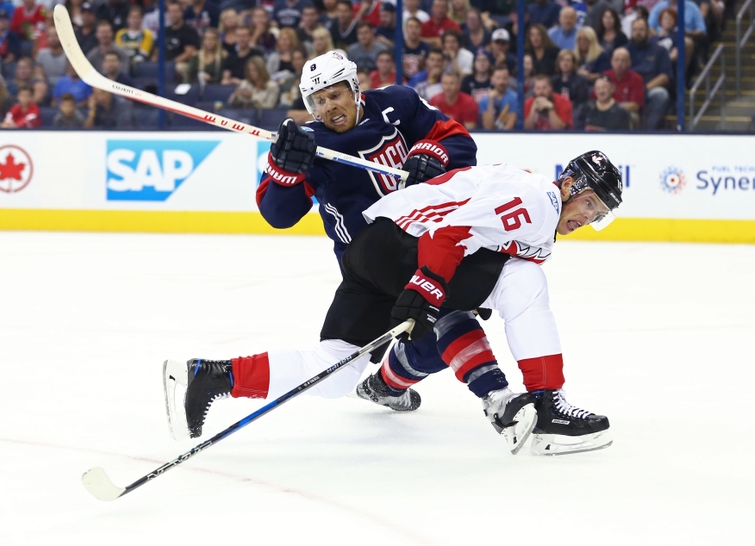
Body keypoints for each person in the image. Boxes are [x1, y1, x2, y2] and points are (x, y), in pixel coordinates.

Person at [170, 145, 622, 457]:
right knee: (523, 282)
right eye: (592, 208)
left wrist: (430, 287)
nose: (589, 218)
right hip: (405, 246)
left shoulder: (530, 200)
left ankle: (211, 376)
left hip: (371, 250)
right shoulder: (539, 200)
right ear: (573, 188)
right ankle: (541, 404)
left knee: (335, 369)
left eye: (598, 216)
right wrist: (427, 284)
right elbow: (448, 233)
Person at [163, 51, 501, 438]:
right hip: (371, 267)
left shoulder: (399, 104)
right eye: (318, 102)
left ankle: (384, 386)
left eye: (335, 95)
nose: (328, 108)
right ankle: (503, 400)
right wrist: (285, 169)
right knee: (442, 320)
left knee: (404, 354)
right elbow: (278, 214)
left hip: (424, 246)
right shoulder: (308, 145)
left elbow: (458, 141)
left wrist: (433, 154)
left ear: (356, 89)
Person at [626, 17, 671, 129]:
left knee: (661, 94)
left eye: (641, 30)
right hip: (627, 90)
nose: (638, 33)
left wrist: (643, 89)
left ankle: (648, 131)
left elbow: (665, 76)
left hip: (648, 89)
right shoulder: (624, 50)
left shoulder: (660, 50)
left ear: (648, 31)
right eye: (635, 30)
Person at [601, 47, 644, 126]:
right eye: (616, 60)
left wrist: (614, 108)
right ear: (611, 62)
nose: (619, 63)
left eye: (623, 60)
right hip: (606, 111)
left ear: (629, 62)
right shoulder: (605, 76)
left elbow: (635, 106)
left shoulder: (636, 78)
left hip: (625, 112)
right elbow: (597, 99)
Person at [160, 2, 200, 82]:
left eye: (176, 11)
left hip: (182, 63)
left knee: (178, 68)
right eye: (171, 12)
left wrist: (171, 63)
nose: (173, 14)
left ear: (181, 13)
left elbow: (189, 53)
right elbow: (157, 51)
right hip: (164, 63)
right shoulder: (164, 31)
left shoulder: (189, 31)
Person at [478, 64, 518, 130]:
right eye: (498, 78)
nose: (501, 82)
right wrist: (490, 101)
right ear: (492, 79)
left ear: (508, 79)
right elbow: (488, 127)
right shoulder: (484, 100)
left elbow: (510, 126)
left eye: (504, 78)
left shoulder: (514, 98)